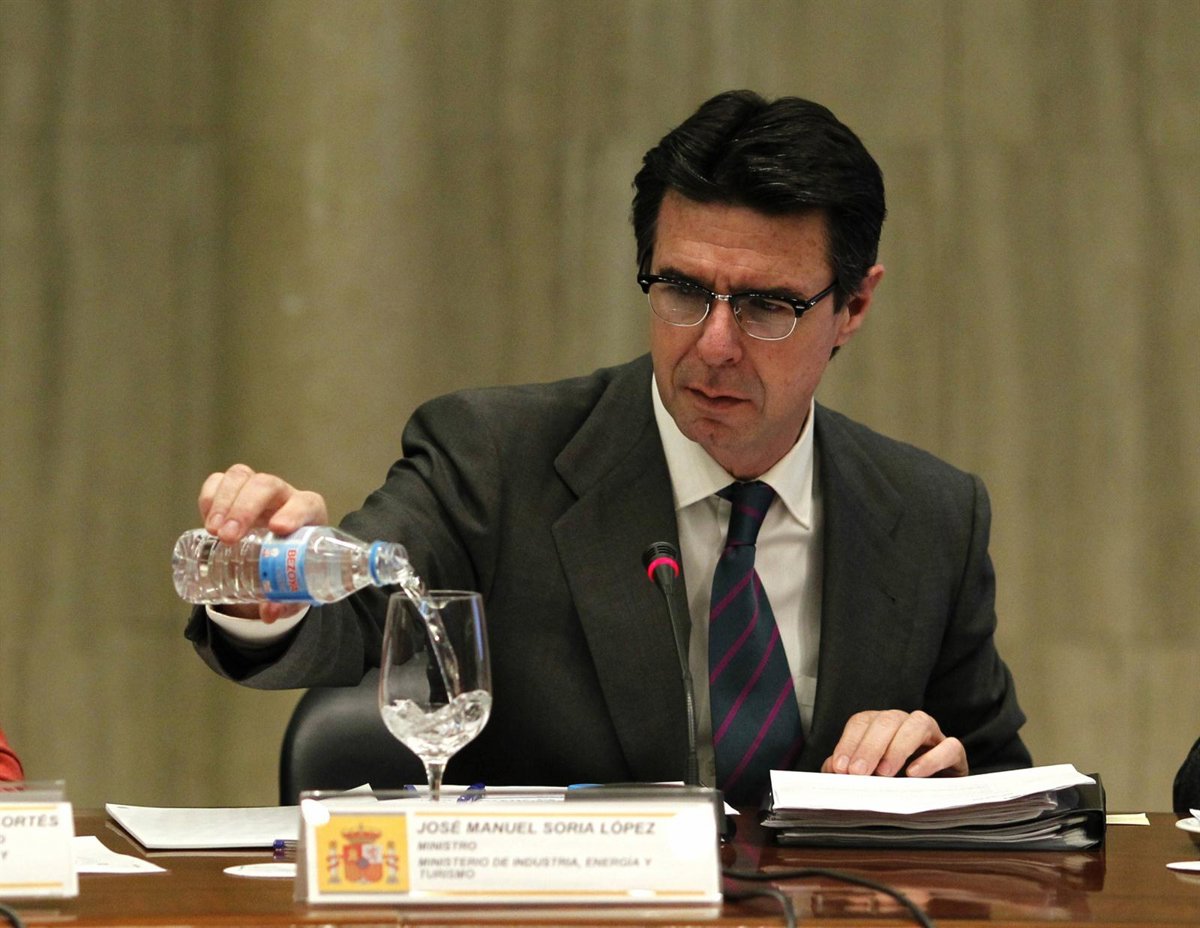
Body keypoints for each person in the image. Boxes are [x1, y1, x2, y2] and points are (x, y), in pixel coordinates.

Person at [187, 90, 1030, 803]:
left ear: (854, 307)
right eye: (683, 291)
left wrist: (944, 778)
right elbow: (360, 614)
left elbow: (1011, 794)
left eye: (767, 306)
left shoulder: (931, 516)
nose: (715, 345)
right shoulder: (496, 460)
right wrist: (272, 585)